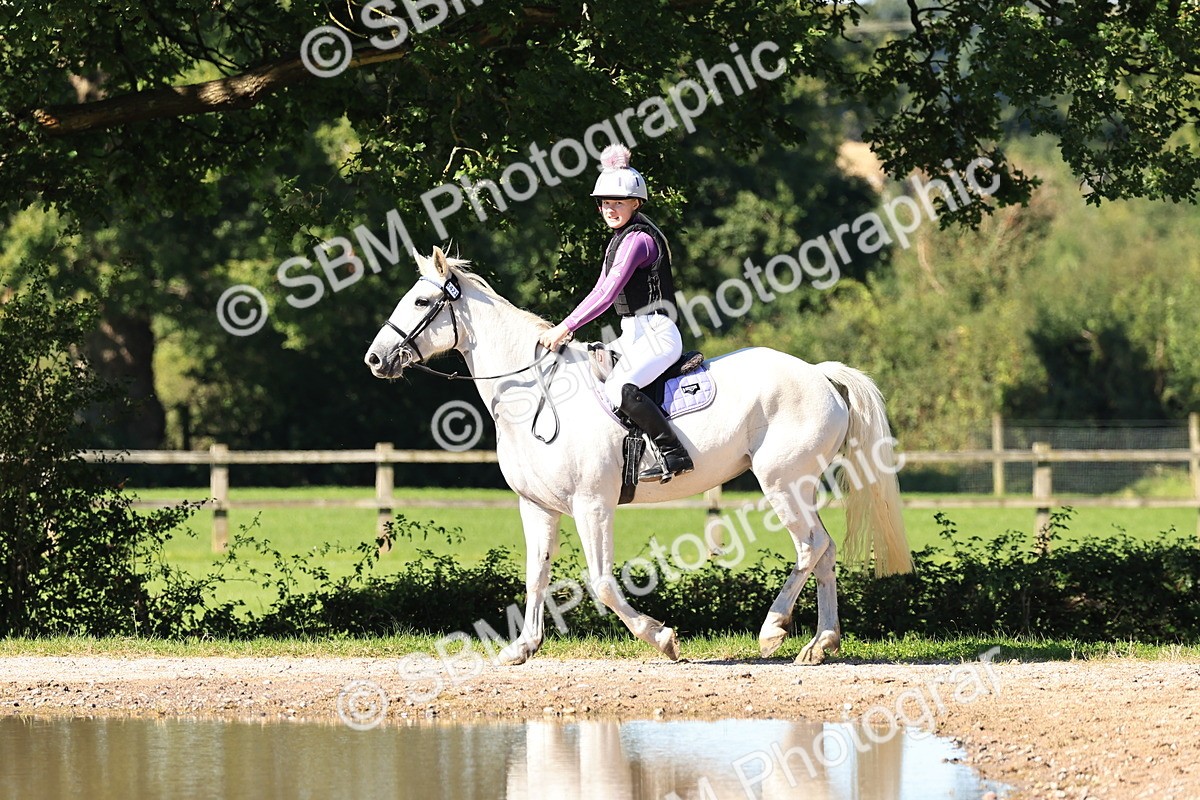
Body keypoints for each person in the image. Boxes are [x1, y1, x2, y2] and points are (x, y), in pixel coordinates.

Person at [538, 144, 694, 483]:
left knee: (620, 386)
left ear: (636, 203)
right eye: (604, 202)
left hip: (658, 334)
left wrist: (564, 328)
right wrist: (568, 327)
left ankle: (673, 453)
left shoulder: (639, 240)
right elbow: (598, 290)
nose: (609, 209)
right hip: (632, 334)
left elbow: (608, 296)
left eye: (617, 202)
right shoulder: (619, 240)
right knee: (586, 371)